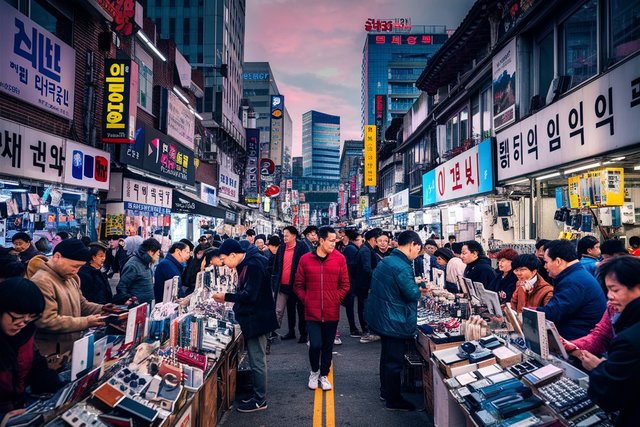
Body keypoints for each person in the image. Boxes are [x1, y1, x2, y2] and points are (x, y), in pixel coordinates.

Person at [213, 239, 277, 413]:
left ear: (233, 255)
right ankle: (258, 394)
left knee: (257, 360)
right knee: (256, 358)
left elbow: (250, 295)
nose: (225, 264)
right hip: (256, 317)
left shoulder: (253, 264)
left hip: (258, 319)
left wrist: (226, 296)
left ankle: (260, 400)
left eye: (224, 259)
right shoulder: (249, 262)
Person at [365, 230, 426, 411]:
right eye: (418, 249)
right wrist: (420, 286)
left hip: (385, 317)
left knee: (387, 358)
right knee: (394, 362)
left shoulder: (389, 260)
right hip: (394, 319)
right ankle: (393, 399)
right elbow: (411, 293)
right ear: (412, 244)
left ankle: (386, 391)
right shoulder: (401, 266)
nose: (417, 254)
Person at [580, 256, 640, 425]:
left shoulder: (629, 340)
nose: (610, 296)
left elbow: (608, 395)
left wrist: (600, 369)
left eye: (615, 289)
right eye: (607, 290)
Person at [26, 239, 106, 359]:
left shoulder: (69, 279)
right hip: (51, 355)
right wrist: (86, 322)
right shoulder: (42, 281)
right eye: (74, 266)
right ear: (57, 256)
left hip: (70, 351)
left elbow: (82, 304)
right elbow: (47, 320)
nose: (76, 271)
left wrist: (103, 309)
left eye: (79, 267)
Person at [0, 278, 63, 426]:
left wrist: (63, 389)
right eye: (17, 317)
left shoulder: (25, 332)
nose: (22, 323)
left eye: (29, 318)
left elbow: (35, 365)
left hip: (20, 411)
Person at [294, 227, 350, 392]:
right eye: (331, 240)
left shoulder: (339, 259)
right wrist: (307, 300)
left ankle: (324, 374)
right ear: (321, 240)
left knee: (327, 346)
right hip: (312, 312)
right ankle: (314, 372)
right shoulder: (305, 259)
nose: (334, 244)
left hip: (332, 312)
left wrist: (335, 299)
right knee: (315, 344)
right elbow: (298, 285)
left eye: (335, 241)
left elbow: (345, 284)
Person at [538, 240, 606, 340]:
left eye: (546, 262)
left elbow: (552, 313)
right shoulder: (575, 274)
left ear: (558, 261)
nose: (545, 266)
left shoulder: (573, 281)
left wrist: (526, 313)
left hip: (579, 342)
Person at [272, 226, 309, 342]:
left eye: (287, 235)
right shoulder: (282, 248)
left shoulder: (302, 247)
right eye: (283, 235)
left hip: (298, 284)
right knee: (288, 309)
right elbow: (276, 266)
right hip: (283, 284)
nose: (284, 238)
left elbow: (307, 265)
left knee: (301, 310)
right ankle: (291, 331)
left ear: (294, 236)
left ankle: (303, 333)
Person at [354, 228, 382, 343]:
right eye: (377, 240)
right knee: (365, 308)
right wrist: (376, 277)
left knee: (364, 307)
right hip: (364, 285)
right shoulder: (365, 250)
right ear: (372, 239)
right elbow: (367, 269)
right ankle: (367, 332)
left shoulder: (366, 249)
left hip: (363, 284)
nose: (378, 243)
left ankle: (367, 331)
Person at [116, 238, 162, 305]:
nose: (158, 257)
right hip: (136, 308)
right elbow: (121, 287)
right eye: (157, 254)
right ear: (151, 252)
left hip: (147, 307)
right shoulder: (133, 265)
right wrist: (128, 301)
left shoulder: (146, 263)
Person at [341, 229, 361, 338]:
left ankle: (353, 328)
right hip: (350, 282)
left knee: (350, 305)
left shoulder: (350, 248)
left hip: (349, 281)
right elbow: (350, 266)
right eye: (358, 239)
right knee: (349, 305)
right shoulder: (351, 249)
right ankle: (353, 328)